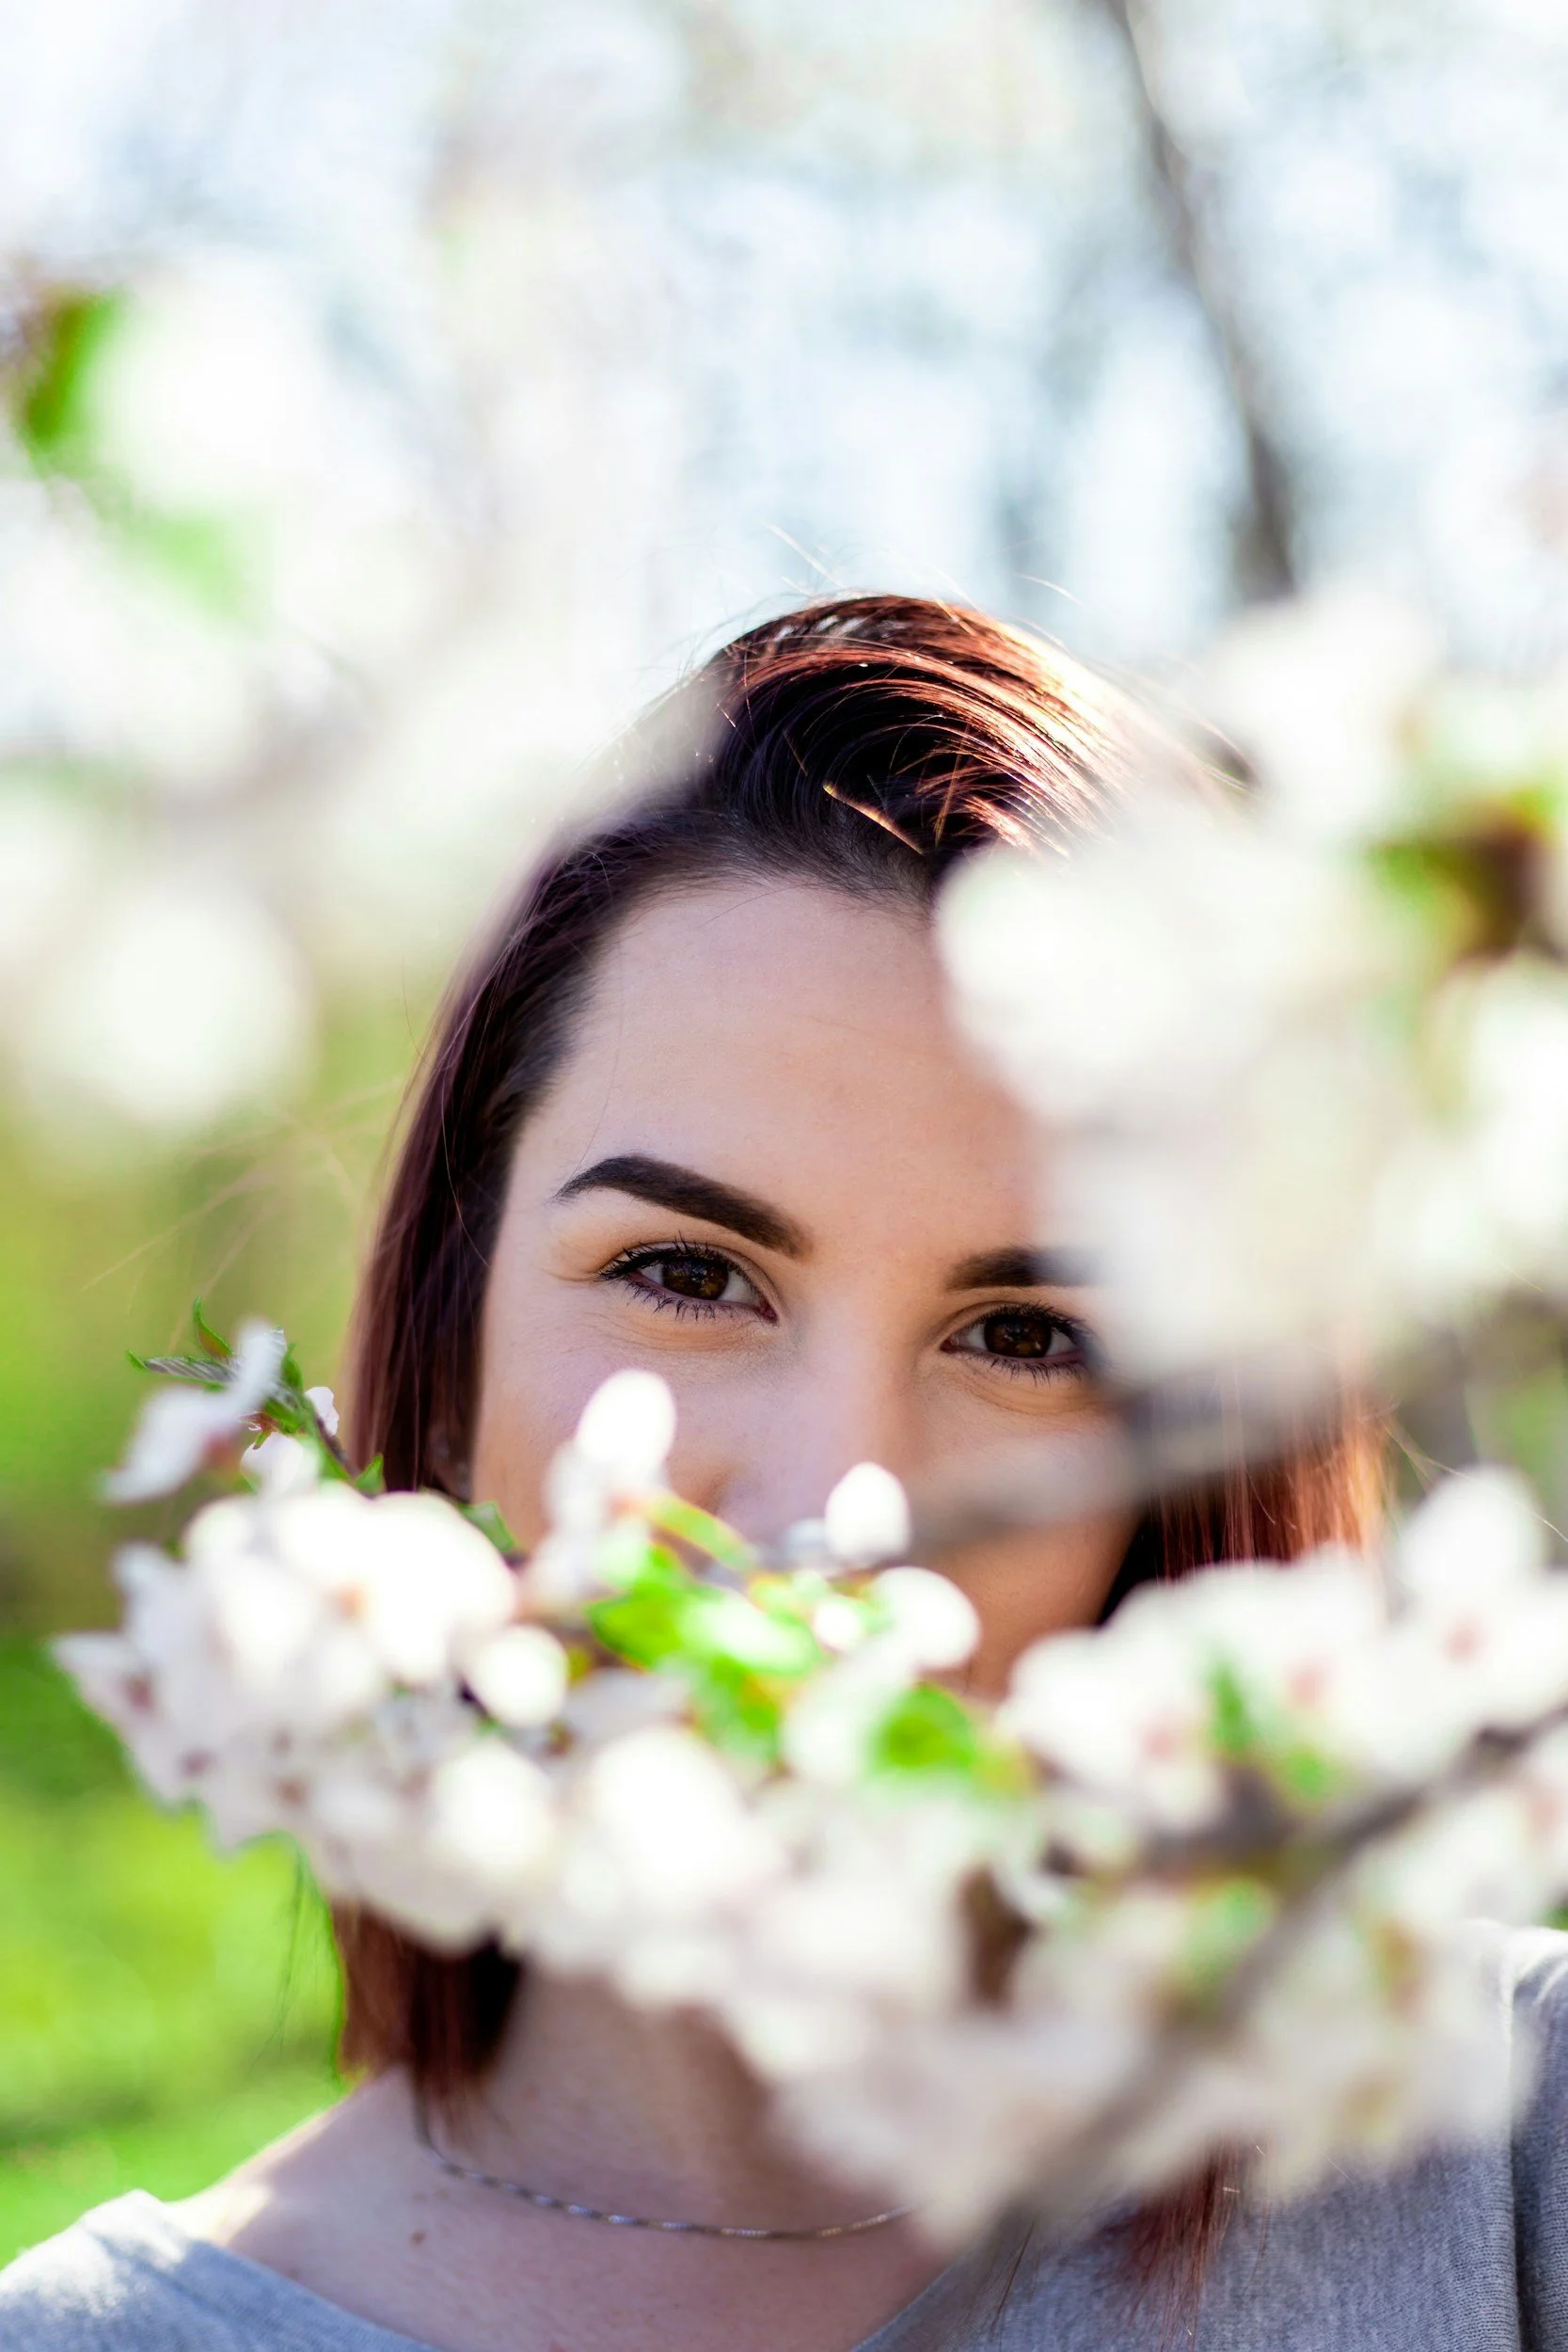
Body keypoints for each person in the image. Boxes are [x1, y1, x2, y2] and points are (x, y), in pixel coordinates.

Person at [5, 595, 1564, 2352]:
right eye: (685, 1277)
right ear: (445, 1360)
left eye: (1030, 1338)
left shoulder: (1502, 2138)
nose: (848, 1505)